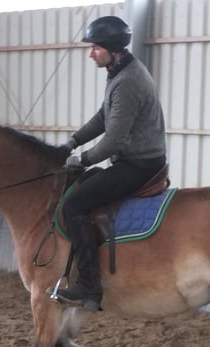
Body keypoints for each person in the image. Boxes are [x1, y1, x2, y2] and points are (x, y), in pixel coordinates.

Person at [53, 15, 167, 311]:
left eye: (95, 48)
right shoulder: (119, 73)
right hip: (134, 159)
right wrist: (73, 141)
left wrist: (83, 159)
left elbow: (113, 140)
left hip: (139, 165)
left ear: (112, 48)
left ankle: (90, 286)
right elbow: (104, 118)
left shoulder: (128, 82)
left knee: (74, 204)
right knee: (83, 186)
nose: (91, 54)